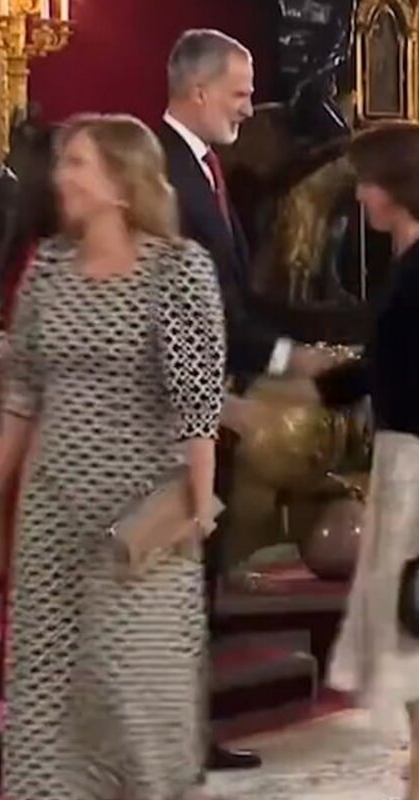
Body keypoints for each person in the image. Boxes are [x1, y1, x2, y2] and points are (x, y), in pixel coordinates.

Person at [0, 114, 226, 800]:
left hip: (143, 509)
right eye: (63, 163)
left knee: (131, 682)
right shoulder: (49, 266)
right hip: (52, 510)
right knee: (47, 682)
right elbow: (21, 390)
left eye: (77, 163)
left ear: (120, 181)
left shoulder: (177, 270)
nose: (61, 177)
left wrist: (198, 508)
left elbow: (199, 404)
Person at [158, 28, 340, 770]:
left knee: (198, 580)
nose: (249, 105)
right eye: (240, 91)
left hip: (213, 411)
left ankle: (186, 734)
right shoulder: (163, 173)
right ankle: (169, 739)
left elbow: (234, 296)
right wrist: (286, 357)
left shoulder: (204, 169)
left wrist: (299, 344)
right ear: (199, 89)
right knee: (174, 582)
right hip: (172, 423)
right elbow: (195, 309)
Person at [299, 122, 419, 800]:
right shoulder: (408, 262)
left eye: (368, 182)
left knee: (412, 630)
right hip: (403, 457)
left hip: (418, 464)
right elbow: (390, 363)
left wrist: (326, 382)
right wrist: (323, 382)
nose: (360, 196)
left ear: (397, 186)